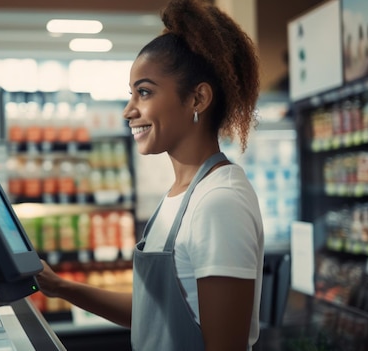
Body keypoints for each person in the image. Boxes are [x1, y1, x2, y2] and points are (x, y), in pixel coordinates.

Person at [35, 0, 264, 349]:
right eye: (132, 94)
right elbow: (155, 313)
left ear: (198, 98)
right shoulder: (180, 194)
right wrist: (60, 287)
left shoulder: (219, 203)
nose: (129, 110)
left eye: (144, 92)